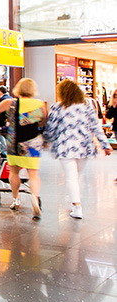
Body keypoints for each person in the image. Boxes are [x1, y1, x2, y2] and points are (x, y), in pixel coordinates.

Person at [43, 79, 112, 219]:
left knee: (71, 176)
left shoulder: (58, 107)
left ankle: (76, 206)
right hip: (83, 147)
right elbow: (96, 128)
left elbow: (51, 127)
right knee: (77, 175)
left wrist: (45, 141)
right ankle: (75, 201)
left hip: (66, 146)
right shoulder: (87, 107)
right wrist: (105, 145)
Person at [0, 78, 46, 219]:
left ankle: (16, 199)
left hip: (14, 142)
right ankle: (35, 198)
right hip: (33, 142)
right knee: (33, 173)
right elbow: (43, 121)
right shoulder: (40, 104)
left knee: (14, 172)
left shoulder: (10, 103)